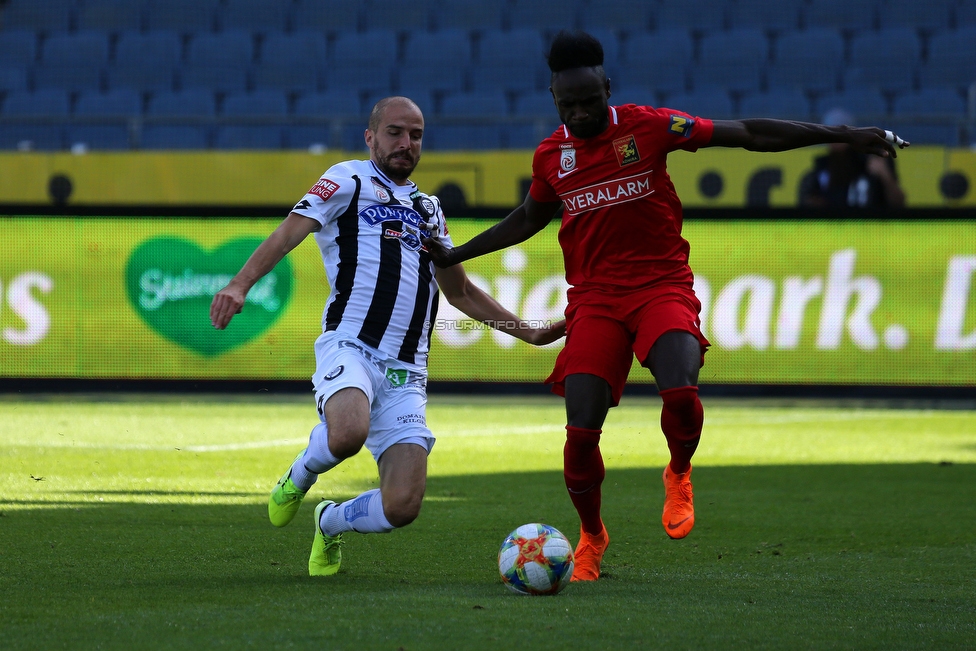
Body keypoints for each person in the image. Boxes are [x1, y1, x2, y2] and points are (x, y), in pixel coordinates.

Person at [423, 31, 909, 582]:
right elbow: (529, 219)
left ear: (607, 88)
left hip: (661, 286)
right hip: (596, 300)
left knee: (681, 388)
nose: (581, 112)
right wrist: (459, 251)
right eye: (568, 104)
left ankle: (679, 471)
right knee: (580, 431)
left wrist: (844, 135)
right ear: (555, 99)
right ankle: (591, 536)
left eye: (590, 100)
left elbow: (748, 134)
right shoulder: (550, 157)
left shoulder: (649, 127)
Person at [210, 96, 565, 577]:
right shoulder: (348, 179)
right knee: (349, 432)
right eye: (395, 132)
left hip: (406, 370)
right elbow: (289, 233)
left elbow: (459, 292)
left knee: (403, 506)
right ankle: (300, 475)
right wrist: (240, 283)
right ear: (370, 136)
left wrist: (533, 334)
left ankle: (330, 521)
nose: (406, 144)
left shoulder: (429, 209)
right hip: (350, 343)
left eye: (415, 135)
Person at [799, 108, 907, 208]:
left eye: (841, 134)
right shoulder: (819, 174)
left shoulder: (871, 164)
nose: (836, 140)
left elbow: (898, 203)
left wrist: (885, 175)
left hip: (871, 227)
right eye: (831, 135)